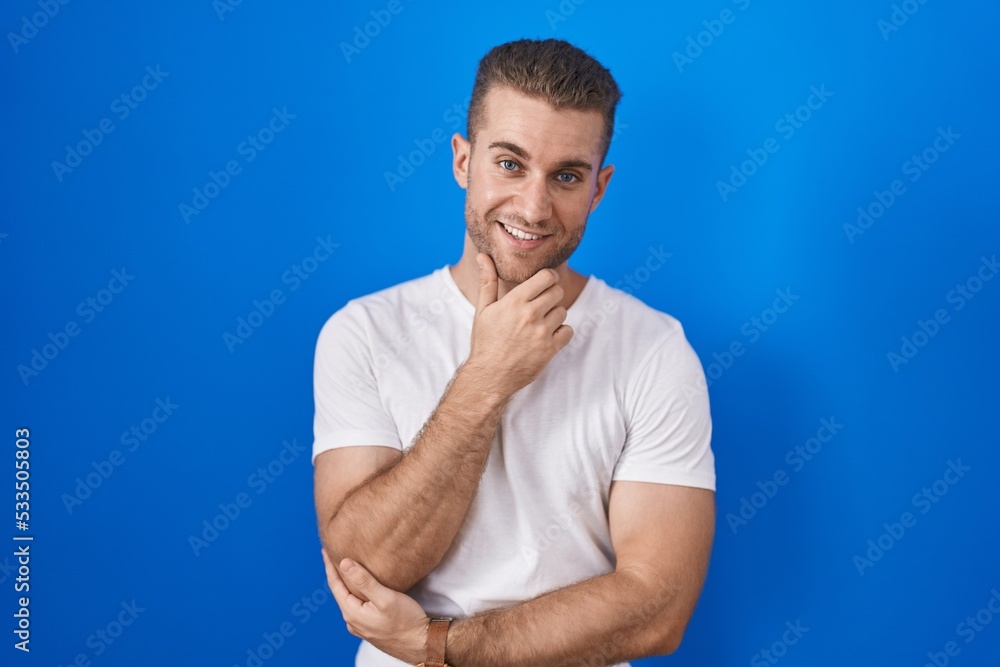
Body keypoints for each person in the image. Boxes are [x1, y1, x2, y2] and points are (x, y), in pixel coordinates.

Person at [312, 38, 716, 667]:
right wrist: (487, 377)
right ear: (462, 160)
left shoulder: (654, 350)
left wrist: (436, 646)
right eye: (509, 163)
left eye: (567, 176)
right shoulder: (363, 332)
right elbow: (368, 568)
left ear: (599, 188)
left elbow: (656, 609)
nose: (533, 206)